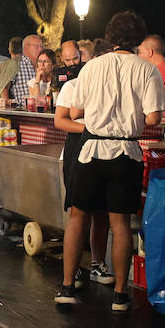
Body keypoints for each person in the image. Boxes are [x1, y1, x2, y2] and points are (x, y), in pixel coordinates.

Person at [54, 11, 165, 311]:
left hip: (90, 150)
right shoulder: (147, 69)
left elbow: (76, 111)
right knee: (120, 223)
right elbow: (154, 117)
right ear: (139, 39)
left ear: (111, 37)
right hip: (126, 152)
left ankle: (67, 287)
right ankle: (119, 294)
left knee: (78, 216)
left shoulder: (91, 67)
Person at [54, 64, 114, 288]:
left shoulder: (111, 88)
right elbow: (60, 120)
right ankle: (73, 268)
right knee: (78, 210)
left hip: (106, 147)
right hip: (78, 146)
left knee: (101, 210)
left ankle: (98, 264)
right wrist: (89, 129)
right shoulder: (72, 86)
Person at [137, 33, 165, 104]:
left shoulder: (155, 72)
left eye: (140, 52)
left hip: (163, 114)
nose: (138, 56)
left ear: (150, 52)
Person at [5, 34, 44, 102]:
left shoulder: (44, 64)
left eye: (41, 46)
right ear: (26, 48)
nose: (40, 49)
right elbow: (4, 88)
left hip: (41, 108)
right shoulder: (16, 64)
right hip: (22, 110)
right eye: (36, 46)